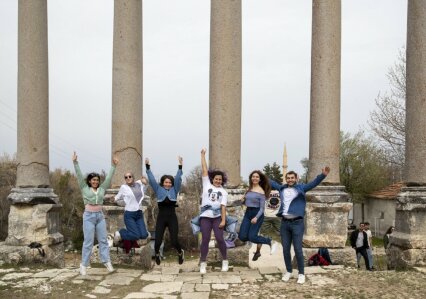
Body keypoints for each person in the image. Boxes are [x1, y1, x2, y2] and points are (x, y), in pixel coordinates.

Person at [270, 167, 330, 284]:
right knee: (286, 250)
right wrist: (259, 175)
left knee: (298, 249)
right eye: (288, 178)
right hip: (285, 224)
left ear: (296, 178)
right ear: (286, 179)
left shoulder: (301, 188)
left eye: (292, 178)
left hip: (297, 223)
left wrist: (323, 175)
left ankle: (301, 273)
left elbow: (313, 183)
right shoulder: (282, 188)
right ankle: (288, 271)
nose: (290, 180)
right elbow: (271, 182)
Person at [72, 151, 118, 276]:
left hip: (100, 216)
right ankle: (83, 265)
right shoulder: (84, 188)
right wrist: (75, 162)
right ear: (89, 181)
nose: (95, 181)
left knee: (103, 240)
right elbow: (79, 175)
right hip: (88, 217)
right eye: (93, 180)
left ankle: (107, 262)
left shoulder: (102, 189)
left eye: (97, 180)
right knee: (88, 241)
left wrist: (114, 166)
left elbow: (108, 178)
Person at [145, 157, 184, 265]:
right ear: (163, 183)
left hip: (172, 217)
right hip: (161, 218)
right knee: (157, 242)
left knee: (174, 241)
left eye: (170, 182)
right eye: (166, 182)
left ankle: (180, 253)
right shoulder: (158, 189)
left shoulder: (175, 189)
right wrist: (148, 167)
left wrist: (180, 166)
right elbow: (152, 180)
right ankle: (157, 254)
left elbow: (178, 179)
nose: (168, 184)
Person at [199, 148, 229, 274]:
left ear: (222, 181)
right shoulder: (207, 185)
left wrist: (223, 220)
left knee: (220, 238)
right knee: (205, 239)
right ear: (212, 179)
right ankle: (203, 263)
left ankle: (225, 261)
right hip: (205, 216)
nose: (218, 181)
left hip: (217, 217)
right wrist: (202, 156)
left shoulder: (223, 192)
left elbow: (223, 207)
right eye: (216, 179)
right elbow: (205, 170)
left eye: (220, 179)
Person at [238, 170, 277, 261]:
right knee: (242, 236)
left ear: (259, 179)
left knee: (252, 237)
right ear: (251, 178)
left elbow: (262, 208)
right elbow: (246, 202)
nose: (255, 178)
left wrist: (256, 217)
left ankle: (270, 241)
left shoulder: (261, 192)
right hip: (248, 213)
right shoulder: (249, 189)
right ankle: (258, 241)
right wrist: (242, 200)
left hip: (257, 214)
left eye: (257, 177)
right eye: (253, 176)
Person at [113, 172, 150, 250]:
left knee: (143, 235)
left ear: (133, 177)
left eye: (130, 176)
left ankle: (129, 233)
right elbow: (117, 197)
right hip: (129, 214)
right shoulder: (124, 187)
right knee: (135, 236)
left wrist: (145, 182)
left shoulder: (138, 185)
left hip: (139, 213)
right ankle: (120, 233)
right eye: (126, 177)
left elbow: (144, 191)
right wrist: (114, 200)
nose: (128, 178)